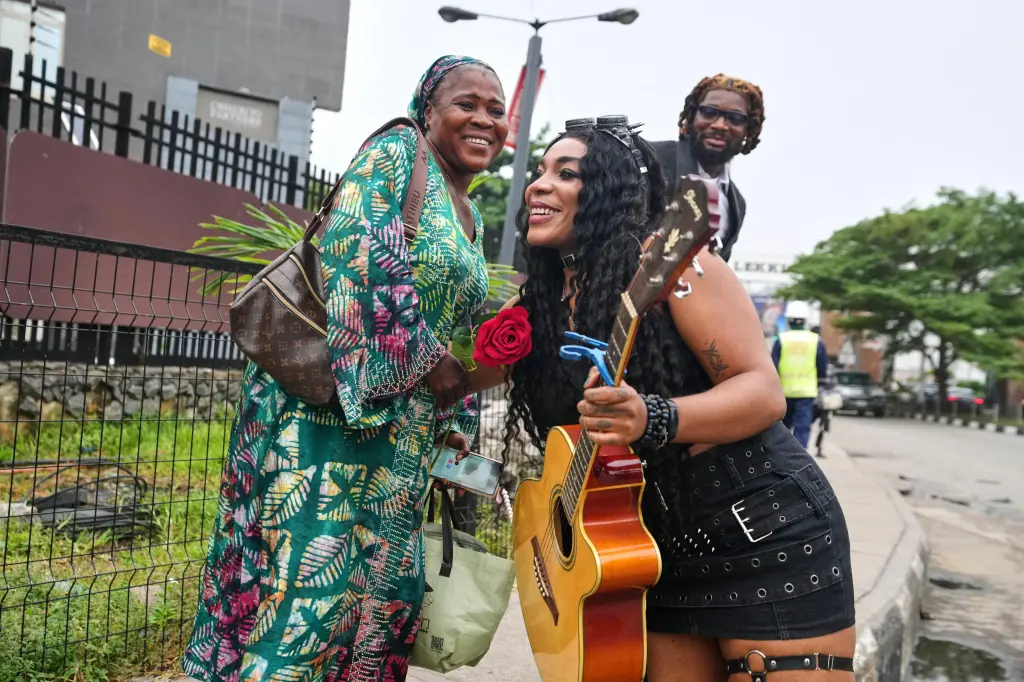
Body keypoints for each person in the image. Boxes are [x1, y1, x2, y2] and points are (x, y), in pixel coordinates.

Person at [484, 117, 855, 681]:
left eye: (567, 173)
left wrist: (654, 415)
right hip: (651, 549)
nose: (539, 184)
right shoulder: (543, 305)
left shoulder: (678, 268)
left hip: (762, 528)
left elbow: (763, 392)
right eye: (539, 172)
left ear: (611, 191)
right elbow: (476, 389)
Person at [181, 55, 507, 682]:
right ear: (428, 110)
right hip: (328, 423)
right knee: (305, 588)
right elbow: (355, 255)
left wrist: (455, 421)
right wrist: (427, 359)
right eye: (466, 104)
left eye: (496, 110)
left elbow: (457, 327)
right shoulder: (396, 153)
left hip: (402, 443)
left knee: (373, 595)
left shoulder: (469, 214)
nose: (484, 119)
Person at [650, 74, 765, 262]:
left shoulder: (736, 205)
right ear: (691, 115)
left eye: (735, 118)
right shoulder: (651, 158)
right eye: (709, 112)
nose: (720, 125)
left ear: (749, 129)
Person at [773, 300, 829, 449]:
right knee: (802, 427)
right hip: (806, 392)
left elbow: (773, 367)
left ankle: (781, 455)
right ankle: (799, 457)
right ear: (805, 320)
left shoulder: (781, 339)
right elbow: (822, 368)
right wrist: (822, 386)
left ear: (788, 320)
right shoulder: (815, 340)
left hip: (783, 392)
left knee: (781, 429)